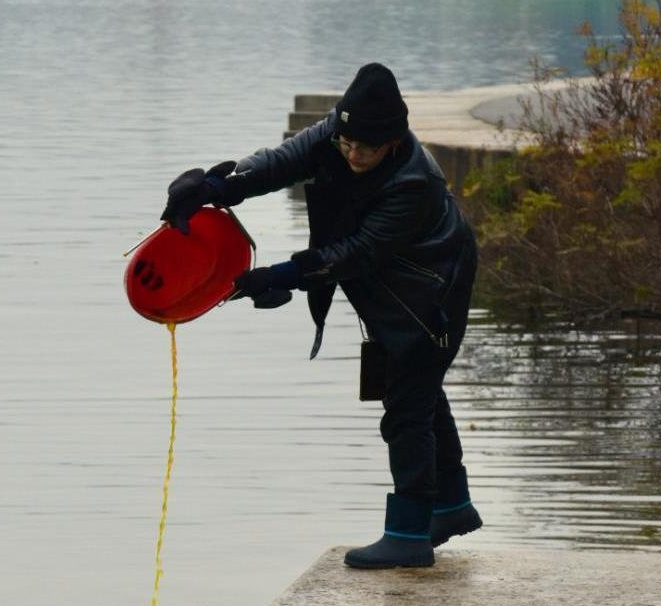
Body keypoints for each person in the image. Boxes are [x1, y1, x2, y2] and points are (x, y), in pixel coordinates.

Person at [159, 62, 481, 570]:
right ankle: (451, 506)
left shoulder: (414, 183)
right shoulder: (339, 134)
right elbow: (281, 162)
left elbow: (354, 252)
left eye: (366, 149)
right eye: (347, 142)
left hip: (431, 291)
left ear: (393, 142)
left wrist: (279, 275)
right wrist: (217, 190)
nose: (352, 154)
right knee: (419, 391)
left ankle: (409, 535)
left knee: (407, 406)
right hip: (392, 287)